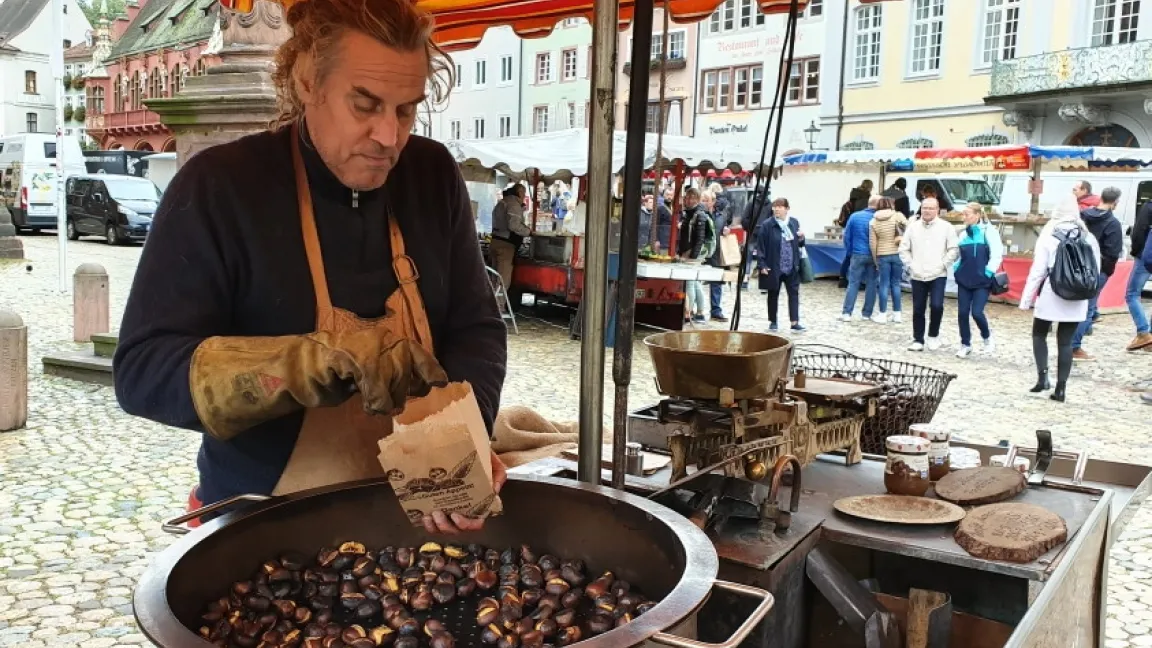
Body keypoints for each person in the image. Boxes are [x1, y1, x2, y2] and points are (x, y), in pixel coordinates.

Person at [112, 0, 508, 535]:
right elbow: (142, 373)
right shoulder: (221, 188)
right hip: (266, 522)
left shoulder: (432, 175)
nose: (389, 137)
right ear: (307, 81)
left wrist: (462, 440)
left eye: (406, 110)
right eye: (364, 105)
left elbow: (476, 330)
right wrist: (294, 366)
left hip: (418, 517)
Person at [1020, 196, 1101, 403]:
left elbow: (1038, 271)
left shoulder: (1049, 234)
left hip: (1052, 291)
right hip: (1078, 296)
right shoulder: (1088, 237)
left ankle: (1042, 378)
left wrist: (1026, 299)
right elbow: (1096, 270)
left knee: (1039, 334)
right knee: (1065, 342)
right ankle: (1061, 388)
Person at [899, 197, 959, 351]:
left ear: (937, 210)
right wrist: (910, 265)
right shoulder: (913, 227)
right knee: (918, 307)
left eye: (931, 208)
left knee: (937, 305)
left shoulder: (946, 227)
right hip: (918, 273)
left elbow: (954, 249)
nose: (927, 211)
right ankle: (918, 339)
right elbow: (903, 248)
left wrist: (943, 264)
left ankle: (933, 335)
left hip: (938, 273)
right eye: (924, 207)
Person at [1072, 186, 1124, 361]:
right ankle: (1074, 347)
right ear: (1115, 203)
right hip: (1097, 270)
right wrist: (1107, 272)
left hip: (1076, 265)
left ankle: (1069, 343)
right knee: (1088, 308)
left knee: (1076, 306)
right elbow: (1113, 252)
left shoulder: (1082, 216)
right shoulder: (1112, 223)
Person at [952, 202, 1003, 358]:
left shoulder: (989, 231)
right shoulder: (963, 234)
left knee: (977, 312)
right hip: (964, 279)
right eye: (964, 213)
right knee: (962, 313)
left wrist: (988, 272)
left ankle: (987, 337)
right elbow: (958, 254)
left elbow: (997, 253)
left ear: (977, 215)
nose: (964, 216)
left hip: (982, 280)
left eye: (967, 213)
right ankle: (965, 344)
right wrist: (956, 268)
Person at [756, 197, 806, 333]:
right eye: (775, 206)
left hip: (791, 265)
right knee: (773, 294)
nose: (777, 209)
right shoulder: (767, 225)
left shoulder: (794, 223)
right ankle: (773, 321)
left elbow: (798, 244)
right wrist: (762, 265)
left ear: (787, 209)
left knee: (794, 294)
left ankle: (795, 322)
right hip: (774, 265)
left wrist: (801, 238)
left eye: (780, 206)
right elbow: (760, 247)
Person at [841, 195, 881, 322]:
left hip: (857, 254)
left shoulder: (855, 216)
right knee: (872, 284)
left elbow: (847, 236)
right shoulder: (880, 219)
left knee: (853, 283)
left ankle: (847, 313)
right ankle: (866, 314)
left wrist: (849, 252)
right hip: (874, 255)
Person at [868, 196, 907, 323]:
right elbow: (909, 231)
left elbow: (872, 243)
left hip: (882, 255)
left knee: (884, 285)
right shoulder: (898, 216)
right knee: (896, 283)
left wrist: (875, 260)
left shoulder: (873, 221)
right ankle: (897, 314)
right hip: (897, 253)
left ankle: (882, 314)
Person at [678, 187, 711, 323]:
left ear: (697, 199)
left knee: (690, 282)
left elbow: (700, 238)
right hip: (688, 251)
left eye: (692, 198)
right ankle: (700, 312)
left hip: (692, 253)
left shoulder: (700, 215)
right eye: (687, 197)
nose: (689, 200)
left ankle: (688, 313)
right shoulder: (690, 214)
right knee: (696, 283)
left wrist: (693, 256)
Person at [491, 184, 530, 291]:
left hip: (495, 240)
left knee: (495, 277)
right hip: (505, 244)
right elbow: (514, 226)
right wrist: (528, 232)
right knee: (503, 279)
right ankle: (499, 306)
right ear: (520, 192)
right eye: (524, 193)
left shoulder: (502, 202)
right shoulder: (514, 204)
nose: (524, 195)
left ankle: (491, 303)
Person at [703, 188, 732, 322]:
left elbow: (723, 228)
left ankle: (716, 310)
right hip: (701, 252)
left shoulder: (721, 215)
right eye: (703, 200)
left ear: (713, 202)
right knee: (695, 283)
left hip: (716, 252)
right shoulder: (700, 214)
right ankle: (694, 310)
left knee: (716, 282)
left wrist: (726, 230)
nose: (704, 203)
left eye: (707, 200)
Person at [1126, 198, 1152, 351]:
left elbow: (1138, 232)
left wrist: (1136, 251)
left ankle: (1143, 332)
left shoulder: (1148, 207)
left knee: (1132, 294)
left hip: (1146, 255)